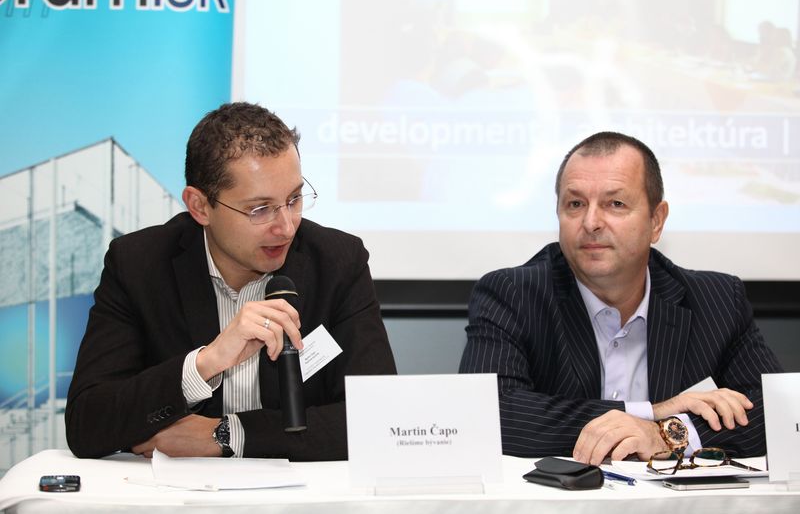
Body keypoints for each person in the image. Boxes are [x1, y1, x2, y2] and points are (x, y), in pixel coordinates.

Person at [66, 102, 397, 461]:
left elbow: (379, 419)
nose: (286, 227)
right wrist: (205, 363)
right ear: (200, 206)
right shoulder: (139, 265)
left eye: (294, 199)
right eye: (260, 209)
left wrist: (226, 435)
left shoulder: (337, 262)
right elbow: (87, 424)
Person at [459, 131, 782, 464]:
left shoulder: (717, 301)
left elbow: (778, 413)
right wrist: (649, 413)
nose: (591, 222)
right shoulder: (512, 294)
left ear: (656, 221)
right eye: (575, 204)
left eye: (615, 204)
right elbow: (486, 413)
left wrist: (664, 434)